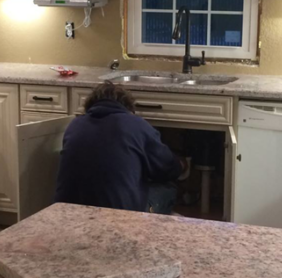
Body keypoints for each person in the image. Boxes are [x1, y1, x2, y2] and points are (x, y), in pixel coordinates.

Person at [55, 81, 185, 214]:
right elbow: (167, 169)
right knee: (168, 189)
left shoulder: (74, 125)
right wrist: (181, 165)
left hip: (68, 215)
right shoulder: (136, 125)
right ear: (129, 108)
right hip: (119, 218)